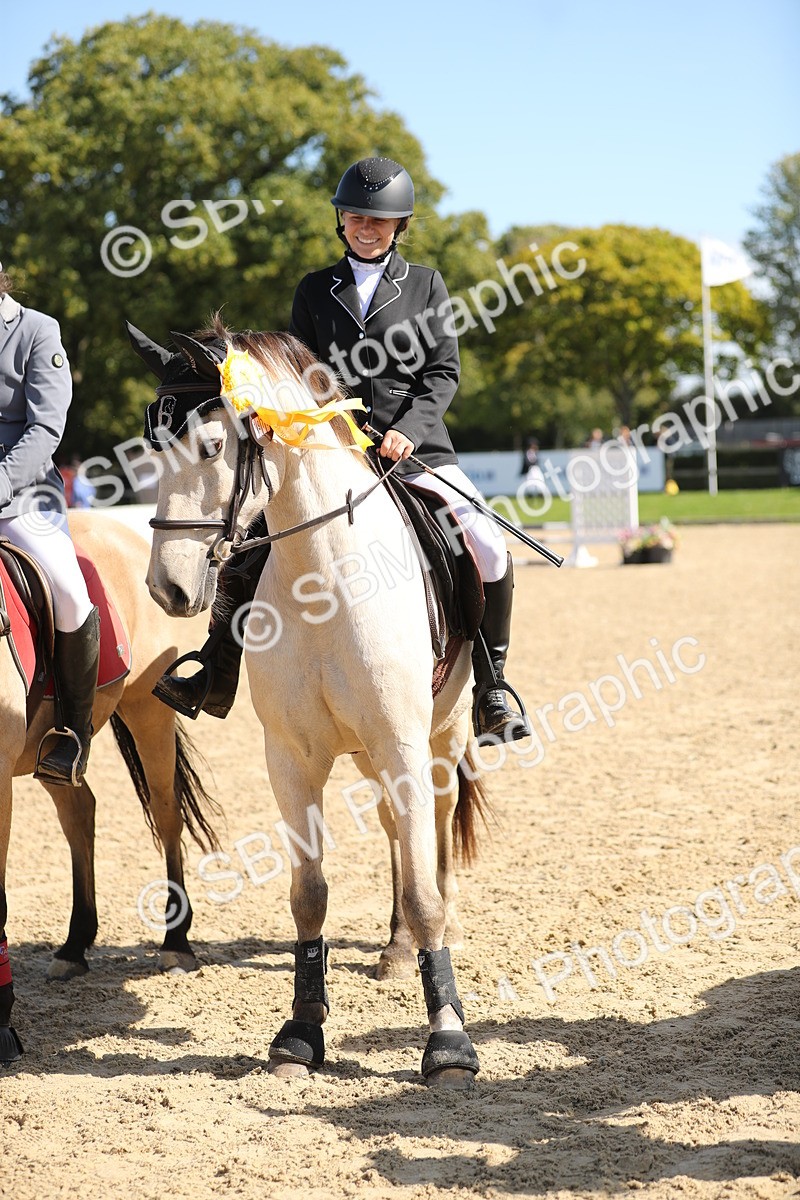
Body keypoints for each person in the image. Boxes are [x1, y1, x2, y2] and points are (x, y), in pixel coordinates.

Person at [155, 158, 530, 743]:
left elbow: (442, 372)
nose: (366, 228)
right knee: (253, 544)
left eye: (379, 221)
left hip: (418, 448)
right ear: (341, 219)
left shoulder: (426, 284)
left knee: (485, 542)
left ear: (399, 224)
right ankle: (216, 666)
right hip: (332, 450)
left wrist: (408, 427)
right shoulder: (313, 289)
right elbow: (302, 375)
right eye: (356, 216)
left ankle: (493, 685)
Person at [0, 263, 100, 785]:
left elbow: (45, 426)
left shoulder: (37, 330)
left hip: (20, 499)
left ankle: (70, 734)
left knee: (68, 590)